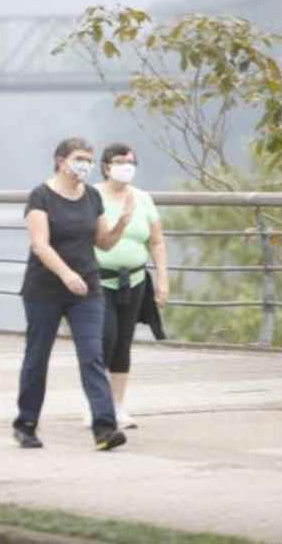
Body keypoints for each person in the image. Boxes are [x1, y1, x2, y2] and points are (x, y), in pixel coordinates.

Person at [13, 137, 135, 451]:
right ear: (61, 161)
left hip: (87, 289)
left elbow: (103, 243)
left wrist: (121, 223)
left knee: (92, 355)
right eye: (79, 158)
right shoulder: (40, 197)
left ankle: (104, 429)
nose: (85, 165)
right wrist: (66, 274)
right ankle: (26, 424)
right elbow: (40, 245)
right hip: (45, 290)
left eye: (89, 160)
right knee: (37, 357)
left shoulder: (92, 196)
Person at [87, 142, 169, 430]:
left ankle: (117, 406)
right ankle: (96, 404)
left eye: (131, 162)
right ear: (106, 166)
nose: (126, 167)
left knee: (123, 340)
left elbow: (156, 241)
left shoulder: (143, 199)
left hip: (133, 280)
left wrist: (162, 278)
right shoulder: (92, 196)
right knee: (104, 337)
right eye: (120, 162)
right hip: (99, 280)